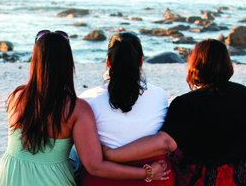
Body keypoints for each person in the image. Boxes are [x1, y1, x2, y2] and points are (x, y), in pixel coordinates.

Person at [0, 30, 170, 186]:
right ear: (68, 63)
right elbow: (95, 166)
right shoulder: (76, 108)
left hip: (6, 177)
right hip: (50, 180)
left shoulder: (16, 96)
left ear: (35, 60)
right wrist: (146, 173)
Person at [103, 39, 246, 186]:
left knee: (170, 153)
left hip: (212, 178)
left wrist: (114, 154)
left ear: (195, 64)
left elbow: (165, 142)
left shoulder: (189, 103)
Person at [70, 32, 175, 185]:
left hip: (102, 180)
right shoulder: (160, 96)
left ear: (108, 62)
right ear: (141, 61)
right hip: (154, 179)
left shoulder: (88, 99)